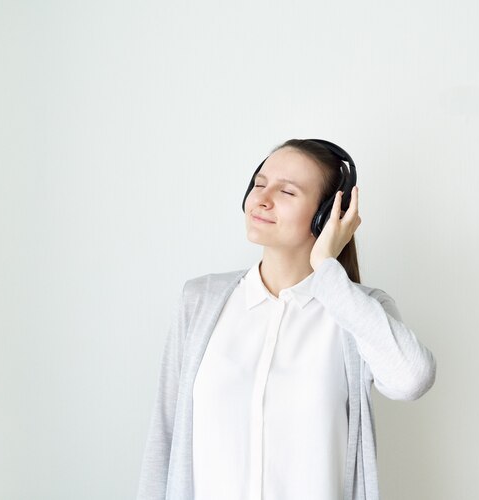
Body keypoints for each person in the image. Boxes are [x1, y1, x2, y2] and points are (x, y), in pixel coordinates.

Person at [136, 139, 436, 500]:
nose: (263, 199)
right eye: (260, 184)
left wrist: (327, 268)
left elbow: (412, 379)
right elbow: (164, 438)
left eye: (287, 192)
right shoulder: (199, 301)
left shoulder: (358, 311)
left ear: (326, 215)